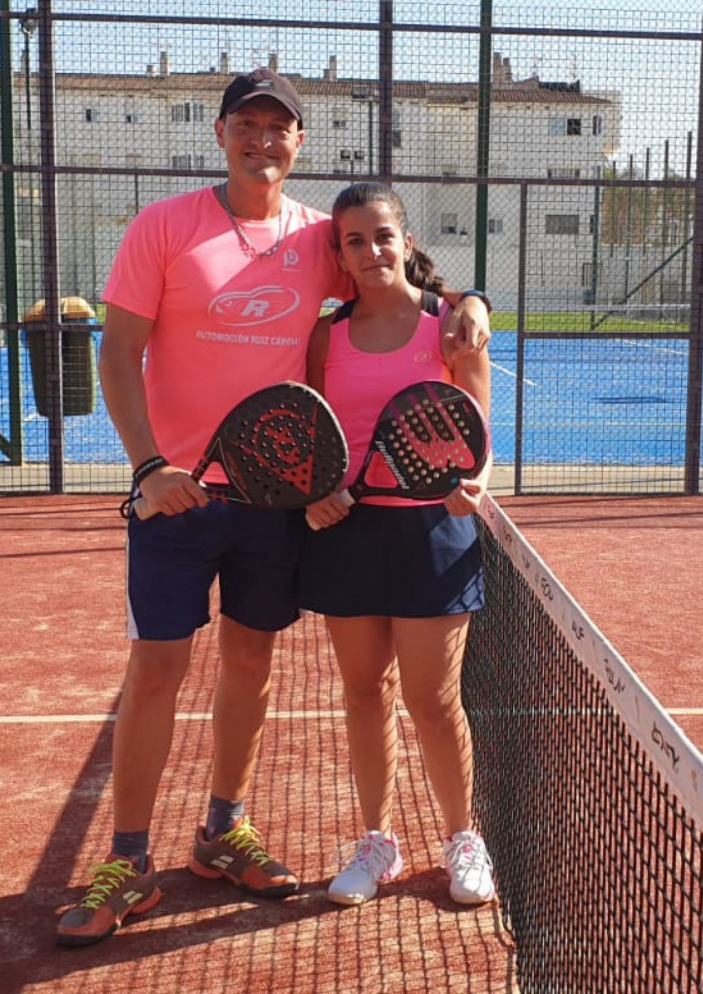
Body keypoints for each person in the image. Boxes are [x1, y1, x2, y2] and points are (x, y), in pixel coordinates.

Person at [55, 69, 491, 947]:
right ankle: (128, 860)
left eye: (278, 127)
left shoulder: (316, 237)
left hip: (273, 504)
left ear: (298, 141)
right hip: (176, 498)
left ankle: (224, 830)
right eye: (246, 124)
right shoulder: (163, 226)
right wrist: (149, 468)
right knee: (156, 673)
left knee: (251, 664)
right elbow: (119, 354)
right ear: (220, 134)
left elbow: (395, 275)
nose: (262, 139)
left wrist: (470, 300)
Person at [297, 183, 495, 907]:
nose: (371, 250)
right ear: (341, 254)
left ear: (405, 242)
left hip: (431, 533)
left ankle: (462, 839)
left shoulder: (451, 325)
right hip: (348, 534)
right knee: (363, 692)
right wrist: (315, 492)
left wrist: (476, 484)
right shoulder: (325, 337)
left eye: (382, 236)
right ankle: (376, 841)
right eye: (355, 240)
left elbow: (478, 431)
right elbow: (317, 435)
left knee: (433, 700)